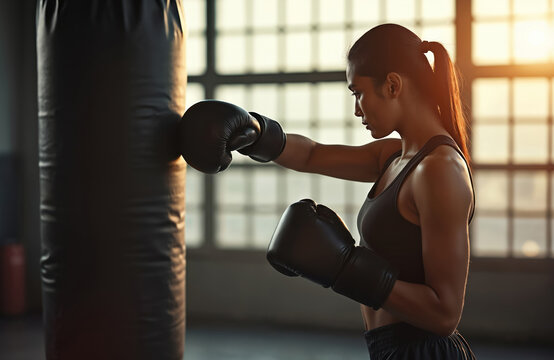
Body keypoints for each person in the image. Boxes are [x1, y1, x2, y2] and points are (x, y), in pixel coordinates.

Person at [180, 23, 476, 359]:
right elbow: (312, 154)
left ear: (392, 85)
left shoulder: (438, 170)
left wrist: (346, 266)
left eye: (358, 93)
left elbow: (444, 315)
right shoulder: (395, 156)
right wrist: (256, 133)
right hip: (388, 350)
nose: (357, 110)